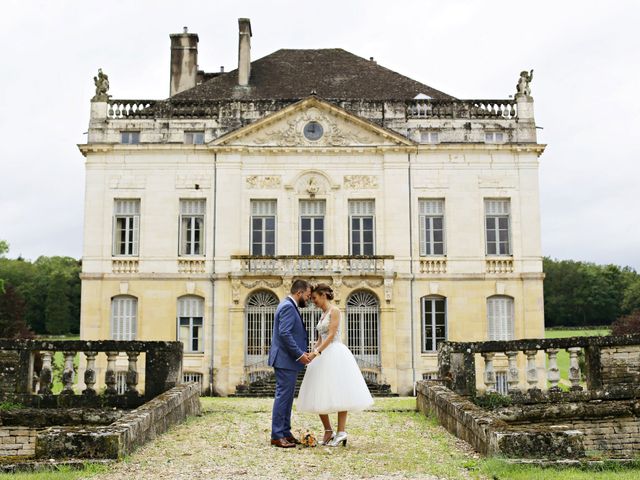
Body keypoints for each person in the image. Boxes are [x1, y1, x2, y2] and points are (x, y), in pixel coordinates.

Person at [296, 283, 374, 447]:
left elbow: (331, 336)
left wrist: (317, 353)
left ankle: (341, 431)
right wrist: (312, 353)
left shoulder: (335, 311)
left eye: (315, 298)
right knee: (318, 391)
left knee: (340, 391)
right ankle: (328, 430)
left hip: (335, 353)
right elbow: (320, 338)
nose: (313, 301)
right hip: (322, 354)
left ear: (323, 295)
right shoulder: (323, 314)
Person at [268, 279, 312, 448]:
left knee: (286, 398)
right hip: (286, 359)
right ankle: (277, 435)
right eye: (307, 296)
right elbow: (285, 333)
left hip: (287, 360)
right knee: (283, 397)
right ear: (299, 293)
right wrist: (300, 354)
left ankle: (285, 432)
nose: (308, 299)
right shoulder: (287, 306)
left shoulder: (289, 305)